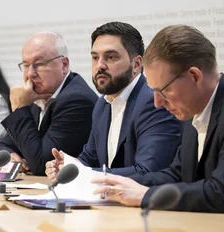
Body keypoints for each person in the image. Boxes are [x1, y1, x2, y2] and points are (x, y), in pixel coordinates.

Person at [92, 25, 224, 224]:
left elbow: (223, 192)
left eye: (163, 91)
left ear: (195, 76)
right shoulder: (192, 108)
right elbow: (177, 173)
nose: (157, 102)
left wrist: (145, 195)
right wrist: (120, 185)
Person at [45, 22, 181, 181]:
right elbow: (90, 159)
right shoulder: (103, 104)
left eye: (111, 57)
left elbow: (148, 172)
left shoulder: (153, 103)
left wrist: (84, 173)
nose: (100, 66)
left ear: (137, 64)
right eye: (95, 57)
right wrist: (70, 166)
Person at [0, 32, 98, 176]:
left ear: (64, 64)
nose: (30, 73)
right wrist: (11, 156)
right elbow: (4, 145)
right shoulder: (37, 93)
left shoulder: (76, 100)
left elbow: (41, 164)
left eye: (39, 64)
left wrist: (19, 107)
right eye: (26, 65)